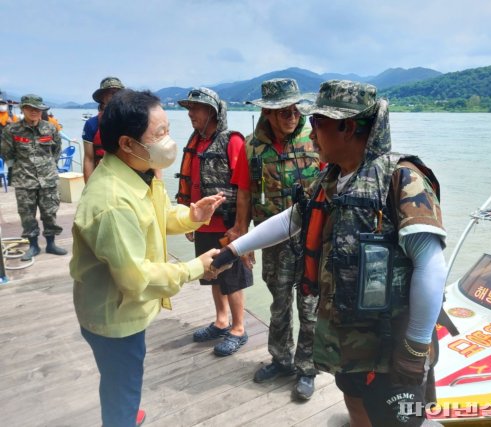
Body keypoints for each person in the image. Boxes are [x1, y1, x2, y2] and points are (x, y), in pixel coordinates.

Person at [213, 80, 447, 426]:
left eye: (317, 124)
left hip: (389, 345)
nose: (310, 135)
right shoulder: (331, 180)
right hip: (347, 339)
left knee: (398, 418)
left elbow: (431, 266)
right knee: (355, 401)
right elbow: (292, 219)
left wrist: (413, 348)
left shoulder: (402, 179)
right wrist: (235, 248)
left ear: (347, 127)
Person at [69, 89, 226, 427]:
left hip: (124, 308)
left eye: (169, 129)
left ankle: (123, 410)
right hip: (113, 315)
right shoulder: (111, 201)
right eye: (159, 133)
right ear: (127, 143)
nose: (168, 140)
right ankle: (122, 418)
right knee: (122, 380)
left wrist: (192, 215)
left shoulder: (139, 172)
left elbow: (158, 215)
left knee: (122, 378)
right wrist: (195, 267)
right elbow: (135, 278)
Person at [232, 78, 322, 400]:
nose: (292, 115)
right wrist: (242, 235)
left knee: (310, 306)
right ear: (268, 113)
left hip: (312, 241)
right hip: (272, 242)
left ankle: (307, 368)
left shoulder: (317, 139)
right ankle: (281, 359)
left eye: (296, 108)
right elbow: (244, 192)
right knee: (279, 304)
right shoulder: (251, 147)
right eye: (284, 110)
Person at [176, 88, 252, 356]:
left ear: (212, 112)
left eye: (195, 108)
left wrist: (240, 227)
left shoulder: (232, 142)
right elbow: (190, 184)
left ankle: (239, 328)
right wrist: (188, 220)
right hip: (202, 224)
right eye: (189, 108)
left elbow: (244, 187)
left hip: (226, 226)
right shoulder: (195, 141)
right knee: (211, 274)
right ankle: (221, 321)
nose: (190, 113)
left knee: (232, 278)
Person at [0, 94, 67, 261]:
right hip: (24, 179)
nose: (34, 112)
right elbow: (6, 152)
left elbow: (57, 149)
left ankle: (51, 244)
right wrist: (19, 167)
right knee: (27, 215)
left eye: (37, 109)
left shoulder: (50, 128)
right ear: (23, 109)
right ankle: (33, 246)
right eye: (30, 108)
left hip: (48, 179)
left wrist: (49, 166)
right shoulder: (12, 130)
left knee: (50, 213)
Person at [82, 76, 125, 182]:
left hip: (127, 179)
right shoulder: (91, 124)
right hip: (101, 179)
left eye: (118, 92)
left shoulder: (133, 121)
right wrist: (88, 187)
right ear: (102, 97)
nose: (115, 96)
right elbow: (89, 158)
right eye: (111, 92)